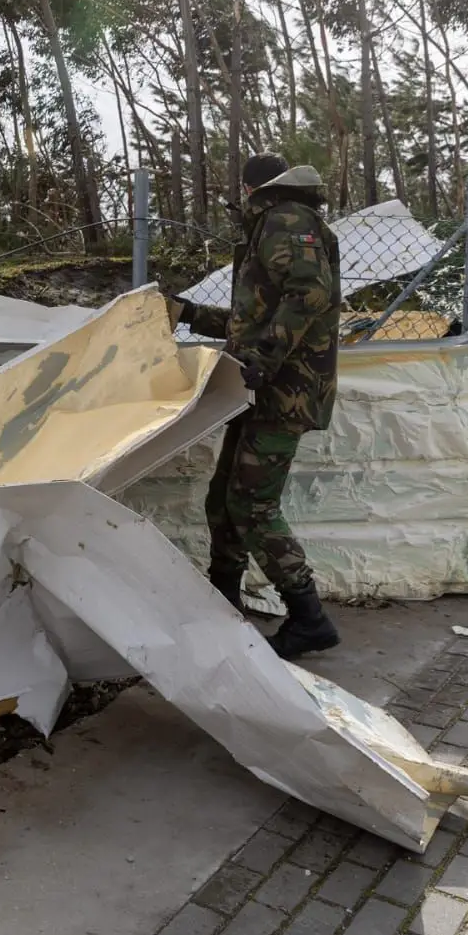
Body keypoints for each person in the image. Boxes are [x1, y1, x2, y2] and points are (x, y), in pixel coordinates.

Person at [167, 153, 342, 659]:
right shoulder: (274, 222)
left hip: (281, 390)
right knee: (224, 497)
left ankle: (309, 617)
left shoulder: (285, 219)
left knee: (251, 505)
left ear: (249, 189)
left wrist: (264, 360)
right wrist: (191, 314)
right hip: (261, 388)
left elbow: (309, 294)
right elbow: (256, 319)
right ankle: (221, 600)